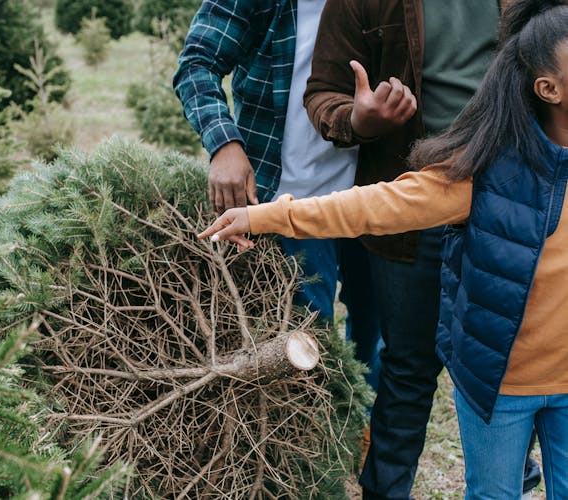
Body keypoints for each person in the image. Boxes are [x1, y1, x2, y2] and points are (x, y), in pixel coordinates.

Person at [198, 0, 568, 498]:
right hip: (430, 198)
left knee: (516, 321)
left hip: (519, 188)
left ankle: (514, 452)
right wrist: (360, 120)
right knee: (410, 367)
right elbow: (371, 192)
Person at [303, 0, 539, 497]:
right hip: (414, 205)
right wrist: (362, 120)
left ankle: (512, 469)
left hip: (515, 200)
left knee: (518, 356)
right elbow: (323, 94)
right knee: (409, 366)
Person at [173, 0, 382, 391]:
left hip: (376, 194)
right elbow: (197, 63)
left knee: (376, 337)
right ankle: (317, 436)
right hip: (289, 201)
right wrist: (224, 145)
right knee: (303, 342)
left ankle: (362, 434)